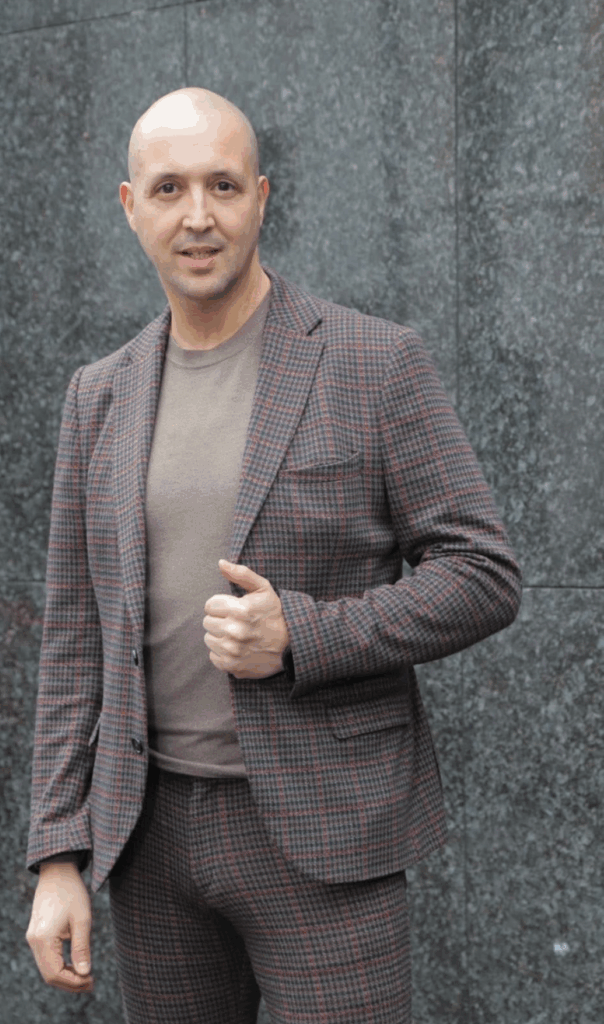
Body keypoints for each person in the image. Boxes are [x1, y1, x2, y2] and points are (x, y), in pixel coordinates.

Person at [25, 87, 521, 1024]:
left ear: (261, 198)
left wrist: (304, 634)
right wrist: (58, 852)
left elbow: (482, 573)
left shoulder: (373, 362)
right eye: (168, 188)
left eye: (222, 185)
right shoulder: (99, 395)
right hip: (148, 838)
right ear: (130, 207)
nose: (197, 215)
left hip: (325, 830)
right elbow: (74, 638)